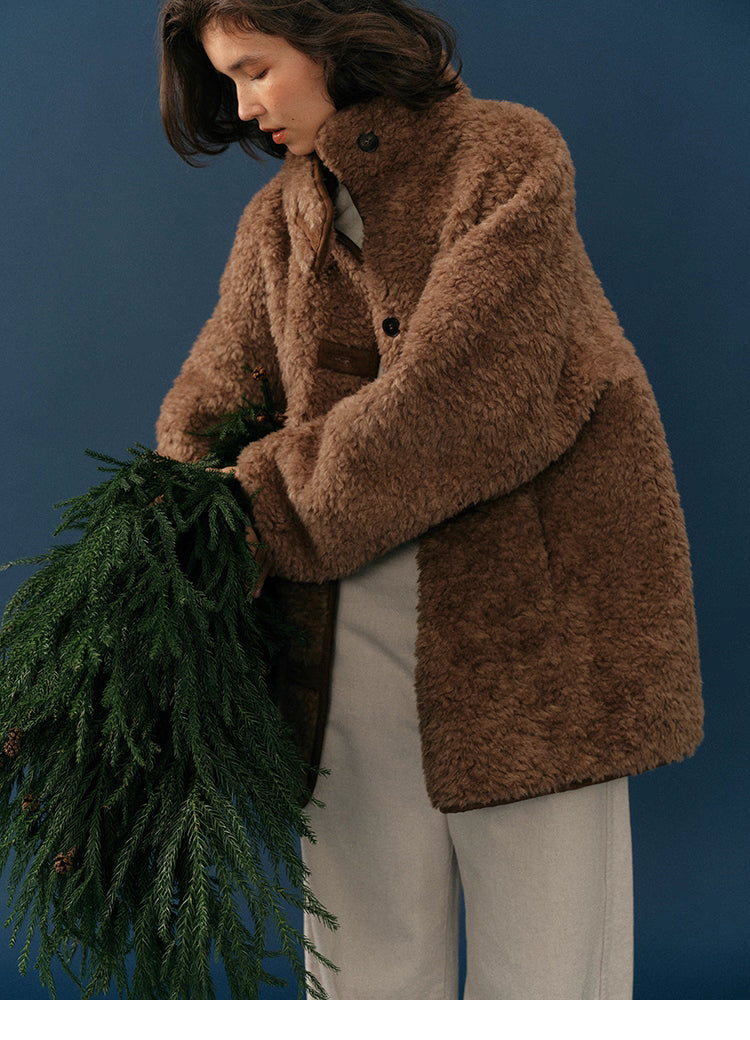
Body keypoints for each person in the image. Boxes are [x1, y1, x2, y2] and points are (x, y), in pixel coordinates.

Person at [155, 0, 703, 1000]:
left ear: (328, 37)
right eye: (226, 80)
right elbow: (205, 404)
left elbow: (469, 401)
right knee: (362, 973)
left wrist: (255, 505)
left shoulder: (504, 159)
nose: (241, 107)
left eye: (254, 68)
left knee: (547, 980)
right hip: (340, 649)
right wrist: (191, 499)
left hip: (532, 650)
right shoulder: (279, 218)